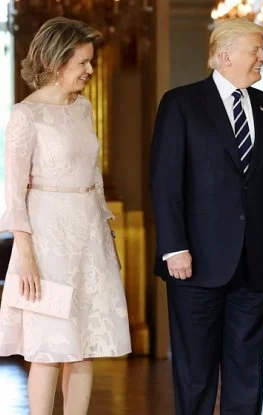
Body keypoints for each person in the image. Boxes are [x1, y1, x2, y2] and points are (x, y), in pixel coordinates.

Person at [150, 18, 263, 415]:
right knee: (196, 375)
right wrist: (173, 247)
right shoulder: (181, 103)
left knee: (247, 372)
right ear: (225, 55)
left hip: (253, 265)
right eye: (256, 50)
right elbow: (166, 183)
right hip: (193, 264)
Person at [0, 17, 131, 414]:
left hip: (89, 237)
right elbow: (13, 193)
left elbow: (93, 176)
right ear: (58, 62)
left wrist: (107, 239)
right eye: (83, 63)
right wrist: (25, 258)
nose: (90, 70)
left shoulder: (83, 107)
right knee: (49, 348)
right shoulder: (26, 115)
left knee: (84, 346)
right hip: (47, 242)